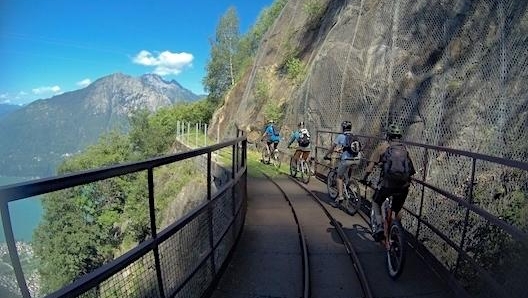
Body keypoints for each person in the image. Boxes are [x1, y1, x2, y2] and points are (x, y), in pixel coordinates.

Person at [359, 123, 416, 242]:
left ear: (388, 136)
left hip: (387, 185)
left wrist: (364, 178)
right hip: (403, 186)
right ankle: (398, 230)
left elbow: (370, 168)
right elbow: (411, 170)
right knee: (398, 208)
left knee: (376, 201)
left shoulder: (382, 148)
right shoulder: (405, 149)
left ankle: (379, 227)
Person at [323, 121, 362, 207]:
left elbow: (332, 148)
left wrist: (326, 155)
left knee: (339, 177)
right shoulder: (354, 136)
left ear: (343, 128)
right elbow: (351, 147)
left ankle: (340, 196)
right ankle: (349, 184)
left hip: (346, 160)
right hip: (357, 159)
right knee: (348, 172)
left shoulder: (341, 136)